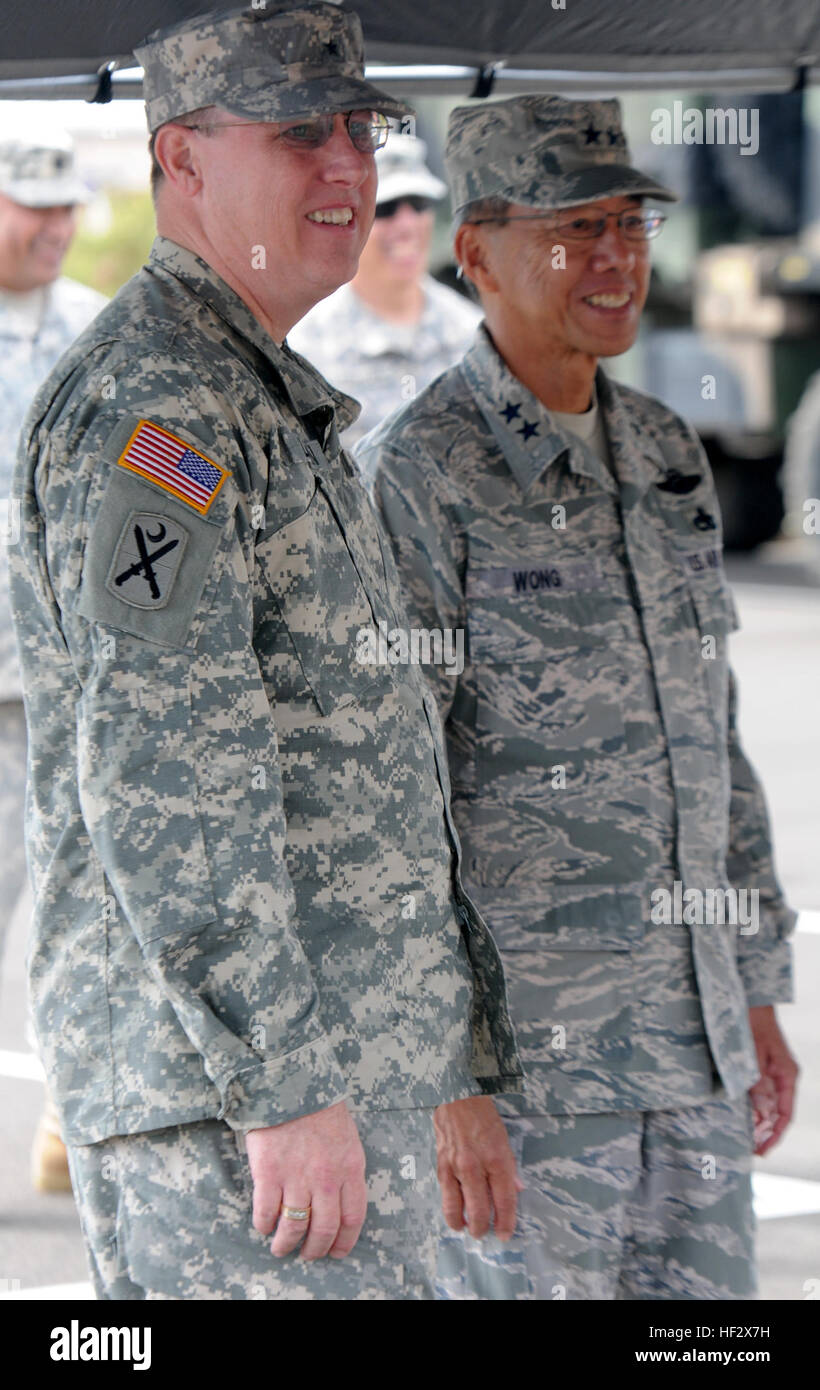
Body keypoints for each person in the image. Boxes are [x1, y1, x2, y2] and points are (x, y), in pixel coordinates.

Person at [9, 2, 524, 1301]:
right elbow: (166, 772)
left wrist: (447, 1056)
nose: (348, 165)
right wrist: (281, 1082)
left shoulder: (260, 392)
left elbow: (362, 759)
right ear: (181, 160)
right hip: (237, 1107)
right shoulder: (158, 405)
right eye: (299, 133)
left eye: (361, 129)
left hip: (346, 1076)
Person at [357, 93, 799, 1301]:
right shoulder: (419, 473)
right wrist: (444, 1081)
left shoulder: (665, 449)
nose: (612, 258)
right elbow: (387, 796)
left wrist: (754, 988)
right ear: (478, 253)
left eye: (628, 223)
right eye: (570, 228)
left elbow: (711, 737)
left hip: (692, 1057)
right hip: (529, 1084)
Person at [0, 125, 106, 1193]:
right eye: (33, 207)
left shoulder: (92, 332)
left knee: (87, 896)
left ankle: (72, 1119)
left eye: (67, 208)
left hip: (73, 674)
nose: (54, 227)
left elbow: (157, 461)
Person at [288, 131, 481, 445]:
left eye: (419, 205)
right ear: (349, 217)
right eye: (387, 209)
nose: (407, 227)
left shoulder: (472, 334)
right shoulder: (306, 347)